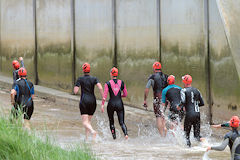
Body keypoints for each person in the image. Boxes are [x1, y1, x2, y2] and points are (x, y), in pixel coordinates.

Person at [74, 63, 104, 140]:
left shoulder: (80, 79)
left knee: (84, 122)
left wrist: (76, 87)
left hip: (84, 101)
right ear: (89, 70)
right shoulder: (94, 78)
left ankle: (93, 132)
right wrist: (103, 97)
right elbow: (100, 87)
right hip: (93, 101)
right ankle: (87, 139)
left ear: (83, 70)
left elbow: (75, 91)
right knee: (88, 122)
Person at [101, 67, 128, 140]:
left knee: (111, 122)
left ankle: (114, 138)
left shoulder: (107, 83)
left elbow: (105, 95)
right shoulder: (122, 82)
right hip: (119, 104)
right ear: (117, 74)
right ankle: (125, 135)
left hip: (111, 104)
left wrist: (102, 105)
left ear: (111, 74)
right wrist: (120, 96)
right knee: (122, 122)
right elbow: (125, 94)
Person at [143, 61, 168, 136]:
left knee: (158, 116)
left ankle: (161, 135)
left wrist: (145, 100)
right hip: (165, 99)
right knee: (162, 114)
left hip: (157, 98)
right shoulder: (166, 76)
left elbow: (147, 89)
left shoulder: (152, 77)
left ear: (154, 69)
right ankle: (165, 128)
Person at [180, 74, 204, 147]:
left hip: (189, 114)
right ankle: (206, 143)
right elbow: (202, 103)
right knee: (197, 136)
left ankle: (188, 149)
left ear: (184, 82)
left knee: (186, 136)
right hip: (197, 114)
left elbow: (183, 102)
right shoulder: (197, 90)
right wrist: (194, 106)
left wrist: (179, 107)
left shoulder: (183, 90)